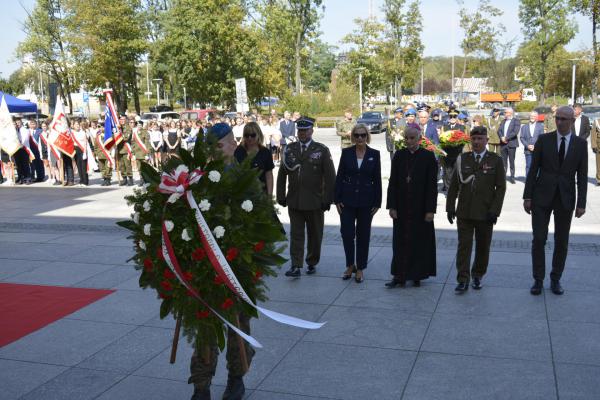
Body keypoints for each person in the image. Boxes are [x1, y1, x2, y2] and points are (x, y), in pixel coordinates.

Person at [189, 122, 254, 400]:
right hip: (206, 268)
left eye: (225, 143)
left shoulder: (243, 177)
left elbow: (257, 218)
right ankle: (201, 386)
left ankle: (236, 379)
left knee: (238, 327)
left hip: (236, 266)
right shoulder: (198, 179)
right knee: (205, 327)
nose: (234, 144)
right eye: (210, 146)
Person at [523, 106, 588, 296]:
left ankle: (556, 278)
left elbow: (582, 176)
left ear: (572, 121)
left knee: (562, 241)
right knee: (539, 239)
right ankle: (538, 279)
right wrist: (527, 196)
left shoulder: (580, 144)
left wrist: (581, 203)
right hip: (541, 197)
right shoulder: (544, 140)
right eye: (557, 118)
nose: (559, 122)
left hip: (565, 198)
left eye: (564, 119)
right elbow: (533, 170)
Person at [446, 126, 506, 293]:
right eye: (474, 139)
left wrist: (495, 210)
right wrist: (450, 207)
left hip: (485, 212)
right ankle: (463, 279)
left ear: (487, 140)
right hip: (464, 212)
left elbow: (500, 188)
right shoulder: (462, 159)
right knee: (463, 246)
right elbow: (454, 186)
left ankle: (478, 275)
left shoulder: (495, 160)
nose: (477, 142)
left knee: (483, 246)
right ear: (470, 141)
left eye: (480, 139)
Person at [276, 116, 336, 277]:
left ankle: (312, 261)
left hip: (315, 200)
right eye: (300, 130)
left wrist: (327, 199)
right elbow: (282, 174)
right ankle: (296, 265)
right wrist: (280, 195)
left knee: (315, 234)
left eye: (305, 130)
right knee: (296, 234)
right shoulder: (289, 149)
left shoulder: (321, 150)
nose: (302, 133)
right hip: (294, 200)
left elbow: (330, 177)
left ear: (312, 131)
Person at [386, 126, 438, 288]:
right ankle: (399, 275)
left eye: (412, 138)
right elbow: (392, 182)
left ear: (419, 138)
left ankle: (417, 274)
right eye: (406, 138)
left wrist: (430, 210)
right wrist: (392, 206)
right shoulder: (399, 155)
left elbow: (432, 186)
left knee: (419, 242)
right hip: (401, 207)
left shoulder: (428, 156)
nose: (408, 141)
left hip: (420, 208)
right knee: (400, 242)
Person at [334, 124, 381, 283]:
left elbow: (377, 180)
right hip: (347, 201)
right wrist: (337, 199)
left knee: (363, 235)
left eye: (363, 135)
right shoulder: (346, 153)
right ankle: (349, 265)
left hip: (366, 202)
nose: (360, 138)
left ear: (367, 136)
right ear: (353, 137)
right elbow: (339, 176)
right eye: (357, 135)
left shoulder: (375, 154)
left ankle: (360, 268)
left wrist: (378, 202)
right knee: (347, 234)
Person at [234, 121, 275, 196]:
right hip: (242, 194)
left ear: (258, 135)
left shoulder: (265, 152)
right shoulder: (238, 151)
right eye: (246, 135)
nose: (249, 138)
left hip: (261, 194)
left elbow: (269, 175)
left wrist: (269, 196)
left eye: (252, 135)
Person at [498, 107, 520, 184]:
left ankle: (512, 177)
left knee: (511, 161)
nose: (504, 114)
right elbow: (499, 130)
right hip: (503, 144)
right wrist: (501, 138)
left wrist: (506, 138)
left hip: (511, 144)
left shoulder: (516, 121)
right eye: (504, 112)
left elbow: (515, 132)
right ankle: (503, 177)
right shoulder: (503, 121)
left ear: (510, 113)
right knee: (503, 162)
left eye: (505, 112)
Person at [519, 111, 544, 177]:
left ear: (536, 118)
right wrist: (527, 145)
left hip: (537, 149)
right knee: (528, 166)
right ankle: (528, 181)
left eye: (534, 116)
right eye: (531, 116)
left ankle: (536, 181)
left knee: (537, 166)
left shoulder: (540, 126)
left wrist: (535, 146)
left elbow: (541, 138)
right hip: (527, 150)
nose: (532, 117)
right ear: (529, 117)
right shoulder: (524, 127)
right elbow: (522, 138)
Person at [130, 119, 150, 186]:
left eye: (140, 125)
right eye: (138, 125)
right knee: (139, 168)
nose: (139, 126)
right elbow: (133, 144)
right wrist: (133, 153)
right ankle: (141, 180)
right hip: (137, 153)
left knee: (145, 167)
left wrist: (147, 154)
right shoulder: (134, 133)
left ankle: (147, 180)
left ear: (142, 125)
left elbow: (147, 143)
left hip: (143, 153)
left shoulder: (145, 132)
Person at [116, 115, 133, 186]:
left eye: (123, 119)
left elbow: (126, 138)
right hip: (119, 149)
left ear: (126, 120)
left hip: (126, 149)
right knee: (121, 165)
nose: (122, 120)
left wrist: (119, 133)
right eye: (120, 119)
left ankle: (130, 179)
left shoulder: (128, 128)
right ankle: (124, 179)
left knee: (127, 165)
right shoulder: (117, 128)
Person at [72, 120, 89, 185]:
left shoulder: (83, 132)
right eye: (75, 124)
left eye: (78, 124)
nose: (77, 126)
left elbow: (85, 142)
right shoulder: (72, 133)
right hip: (76, 150)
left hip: (82, 150)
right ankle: (81, 180)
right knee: (78, 166)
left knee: (83, 166)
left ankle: (85, 181)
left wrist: (84, 152)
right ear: (73, 126)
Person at [592, 119, 600, 186]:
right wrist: (594, 146)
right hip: (599, 146)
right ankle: (599, 179)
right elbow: (593, 134)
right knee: (599, 163)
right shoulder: (597, 121)